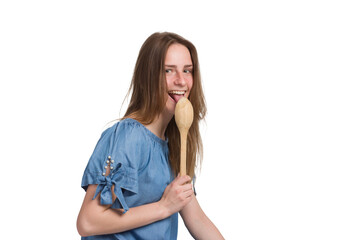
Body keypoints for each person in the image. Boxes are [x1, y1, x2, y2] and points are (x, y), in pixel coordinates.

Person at [77, 32, 224, 239]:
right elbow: (88, 221)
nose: (181, 80)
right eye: (168, 70)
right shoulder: (129, 137)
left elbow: (197, 220)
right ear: (148, 76)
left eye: (187, 70)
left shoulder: (173, 146)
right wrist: (164, 207)